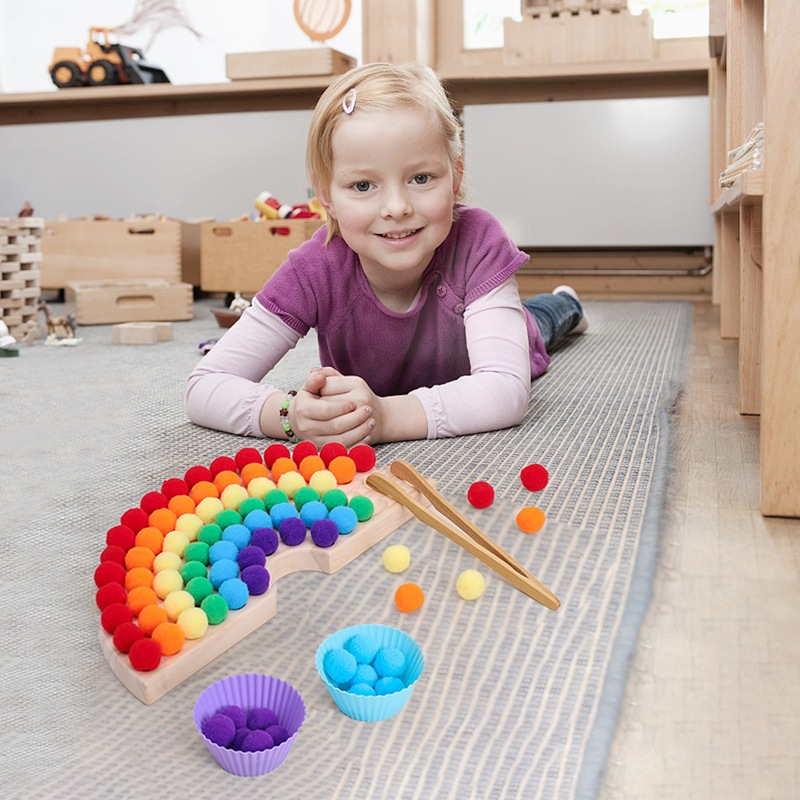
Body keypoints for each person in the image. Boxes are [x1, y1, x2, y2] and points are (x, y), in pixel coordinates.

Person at [186, 62, 587, 447]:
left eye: (421, 178)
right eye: (363, 186)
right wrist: (288, 414)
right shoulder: (314, 269)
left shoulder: (478, 241)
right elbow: (204, 386)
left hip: (500, 328)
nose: (396, 207)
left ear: (456, 177)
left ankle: (567, 302)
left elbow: (503, 391)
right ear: (326, 196)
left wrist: (388, 418)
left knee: (542, 320)